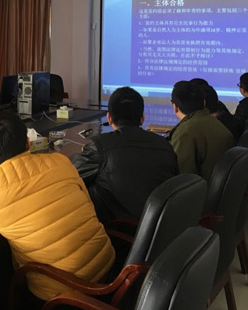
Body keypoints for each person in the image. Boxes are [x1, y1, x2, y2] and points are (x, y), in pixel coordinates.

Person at [0, 112, 115, 302]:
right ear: (27, 143)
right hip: (108, 269)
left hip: (63, 294)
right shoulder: (60, 161)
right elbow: (87, 202)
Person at [71, 87, 179, 224]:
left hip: (119, 230)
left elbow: (69, 174)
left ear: (109, 118)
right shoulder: (165, 145)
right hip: (159, 228)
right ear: (142, 118)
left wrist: (86, 152)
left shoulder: (100, 146)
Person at [170, 80, 234, 181]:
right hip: (216, 185)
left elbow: (181, 175)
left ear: (175, 107)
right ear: (204, 102)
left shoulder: (185, 132)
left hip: (201, 188)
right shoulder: (214, 122)